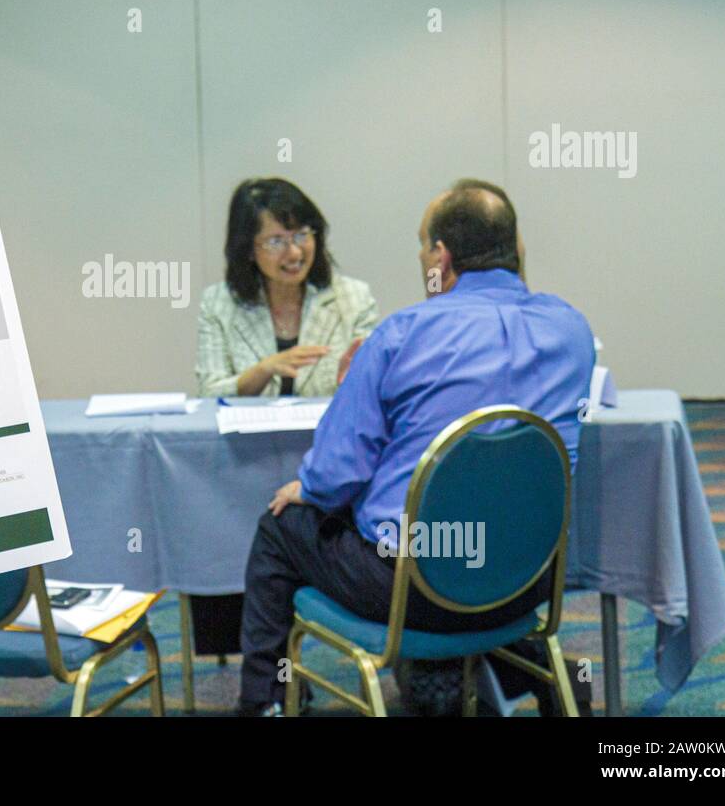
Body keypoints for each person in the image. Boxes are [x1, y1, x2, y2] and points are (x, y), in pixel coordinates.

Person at [238, 179, 595, 716]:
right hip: (526, 581)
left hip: (414, 589)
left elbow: (336, 476)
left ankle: (263, 705)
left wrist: (305, 487)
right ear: (515, 248)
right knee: (475, 535)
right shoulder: (572, 330)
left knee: (281, 525)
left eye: (423, 245)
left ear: (441, 256)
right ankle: (507, 665)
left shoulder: (400, 335)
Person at [196, 178, 378, 399]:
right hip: (249, 433)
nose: (294, 253)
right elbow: (209, 393)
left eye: (301, 235)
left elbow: (374, 390)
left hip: (326, 431)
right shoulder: (218, 303)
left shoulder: (354, 298)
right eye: (276, 242)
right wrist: (263, 370)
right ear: (249, 250)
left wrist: (352, 380)